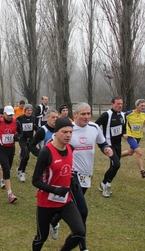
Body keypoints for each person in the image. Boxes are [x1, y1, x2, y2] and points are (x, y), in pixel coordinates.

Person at [49, 102, 113, 250]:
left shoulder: (94, 128)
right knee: (82, 211)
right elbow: (52, 146)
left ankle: (53, 219)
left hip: (86, 174)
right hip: (71, 175)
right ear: (75, 114)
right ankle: (83, 247)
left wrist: (107, 149)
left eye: (88, 113)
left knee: (71, 204)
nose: (86, 116)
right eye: (83, 114)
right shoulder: (68, 130)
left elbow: (102, 143)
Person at [32, 117, 85, 251]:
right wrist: (55, 190)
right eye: (64, 132)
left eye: (70, 132)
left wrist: (73, 181)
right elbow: (35, 180)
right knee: (41, 237)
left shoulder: (70, 149)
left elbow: (68, 169)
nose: (68, 135)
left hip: (65, 201)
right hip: (46, 203)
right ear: (56, 132)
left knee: (79, 231)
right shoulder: (46, 152)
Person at [0, 105, 22, 203]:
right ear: (4, 114)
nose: (10, 116)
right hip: (1, 148)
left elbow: (21, 133)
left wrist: (18, 137)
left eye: (11, 115)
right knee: (7, 169)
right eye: (8, 115)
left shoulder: (16, 122)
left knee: (7, 167)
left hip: (11, 148)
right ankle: (10, 194)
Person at [95, 96, 126, 198]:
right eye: (117, 104)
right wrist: (100, 139)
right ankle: (107, 185)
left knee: (113, 166)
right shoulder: (106, 115)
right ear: (112, 104)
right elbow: (95, 126)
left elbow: (123, 128)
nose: (120, 106)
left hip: (118, 145)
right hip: (108, 145)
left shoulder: (122, 115)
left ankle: (103, 184)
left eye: (121, 104)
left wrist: (124, 134)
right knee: (116, 164)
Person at [121, 99, 145, 178]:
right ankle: (142, 171)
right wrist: (124, 133)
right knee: (139, 152)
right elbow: (121, 121)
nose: (143, 107)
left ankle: (116, 157)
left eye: (144, 106)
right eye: (142, 105)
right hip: (130, 136)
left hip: (139, 136)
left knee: (130, 152)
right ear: (136, 105)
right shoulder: (129, 113)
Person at [16, 104, 38, 182]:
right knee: (26, 155)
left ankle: (19, 169)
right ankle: (22, 173)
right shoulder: (20, 118)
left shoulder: (33, 118)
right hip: (22, 139)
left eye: (31, 110)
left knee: (26, 157)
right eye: (28, 110)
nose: (29, 112)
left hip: (30, 139)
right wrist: (18, 135)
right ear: (25, 111)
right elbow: (17, 128)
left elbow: (35, 127)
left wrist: (38, 131)